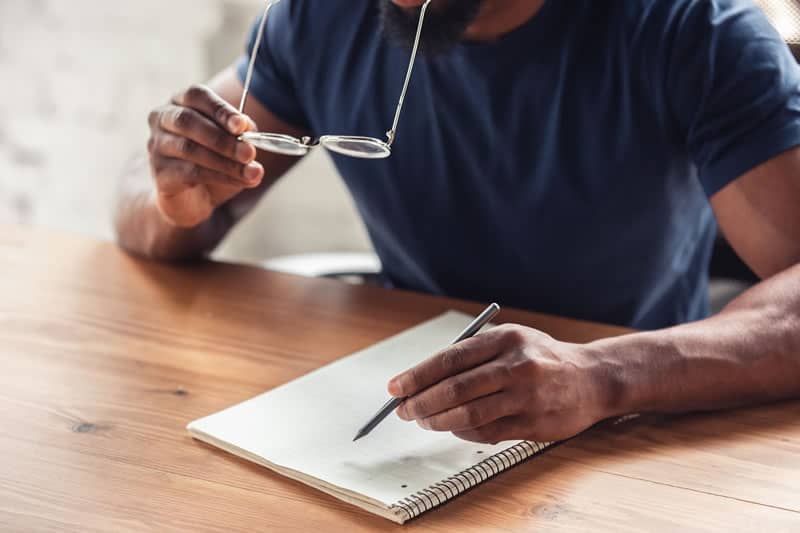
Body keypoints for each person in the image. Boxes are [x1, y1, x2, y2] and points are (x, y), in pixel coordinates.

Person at [115, 0, 800, 444]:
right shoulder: (323, 17)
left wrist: (601, 376)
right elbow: (143, 207)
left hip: (637, 426)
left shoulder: (696, 29)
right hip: (413, 421)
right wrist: (175, 200)